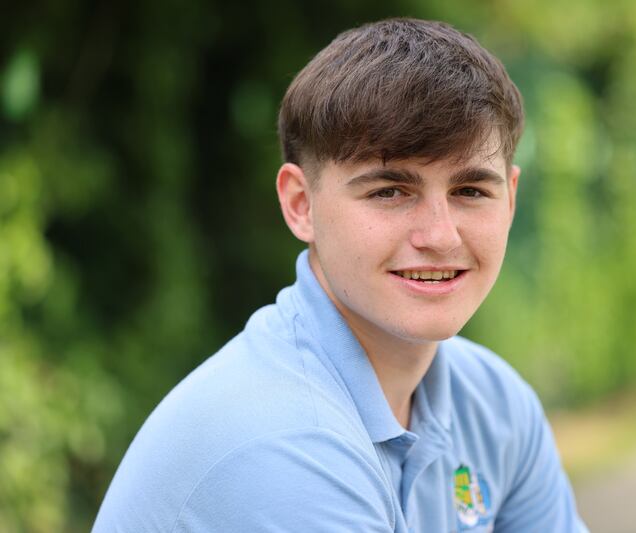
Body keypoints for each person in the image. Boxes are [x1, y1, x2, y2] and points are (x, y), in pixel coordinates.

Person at [93, 18, 588, 532]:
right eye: (389, 191)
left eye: (470, 191)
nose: (441, 236)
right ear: (301, 204)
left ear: (510, 199)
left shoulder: (494, 405)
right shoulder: (284, 443)